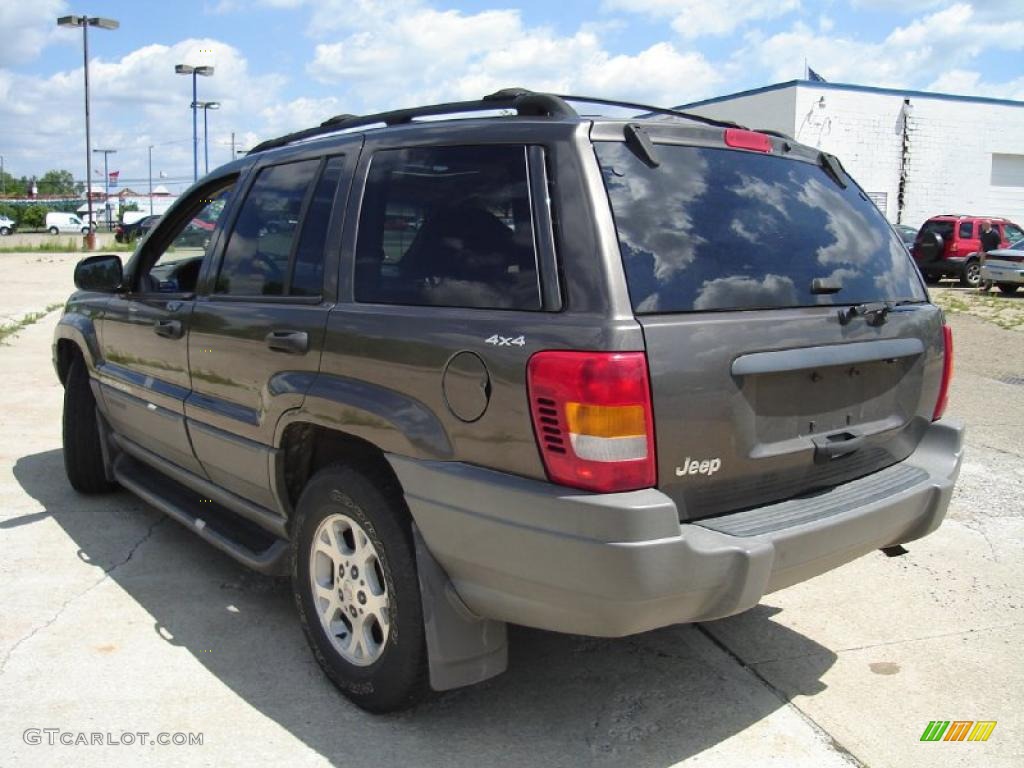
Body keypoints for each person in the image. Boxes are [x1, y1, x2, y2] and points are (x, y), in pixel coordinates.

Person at [978, 220, 1001, 291]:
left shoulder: (995, 233)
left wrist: (997, 254)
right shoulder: (983, 233)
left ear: (988, 225)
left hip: (992, 254)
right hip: (984, 253)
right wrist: (979, 251)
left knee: (990, 269)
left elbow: (998, 245)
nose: (982, 226)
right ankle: (984, 284)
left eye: (983, 225)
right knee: (983, 268)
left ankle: (989, 284)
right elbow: (981, 243)